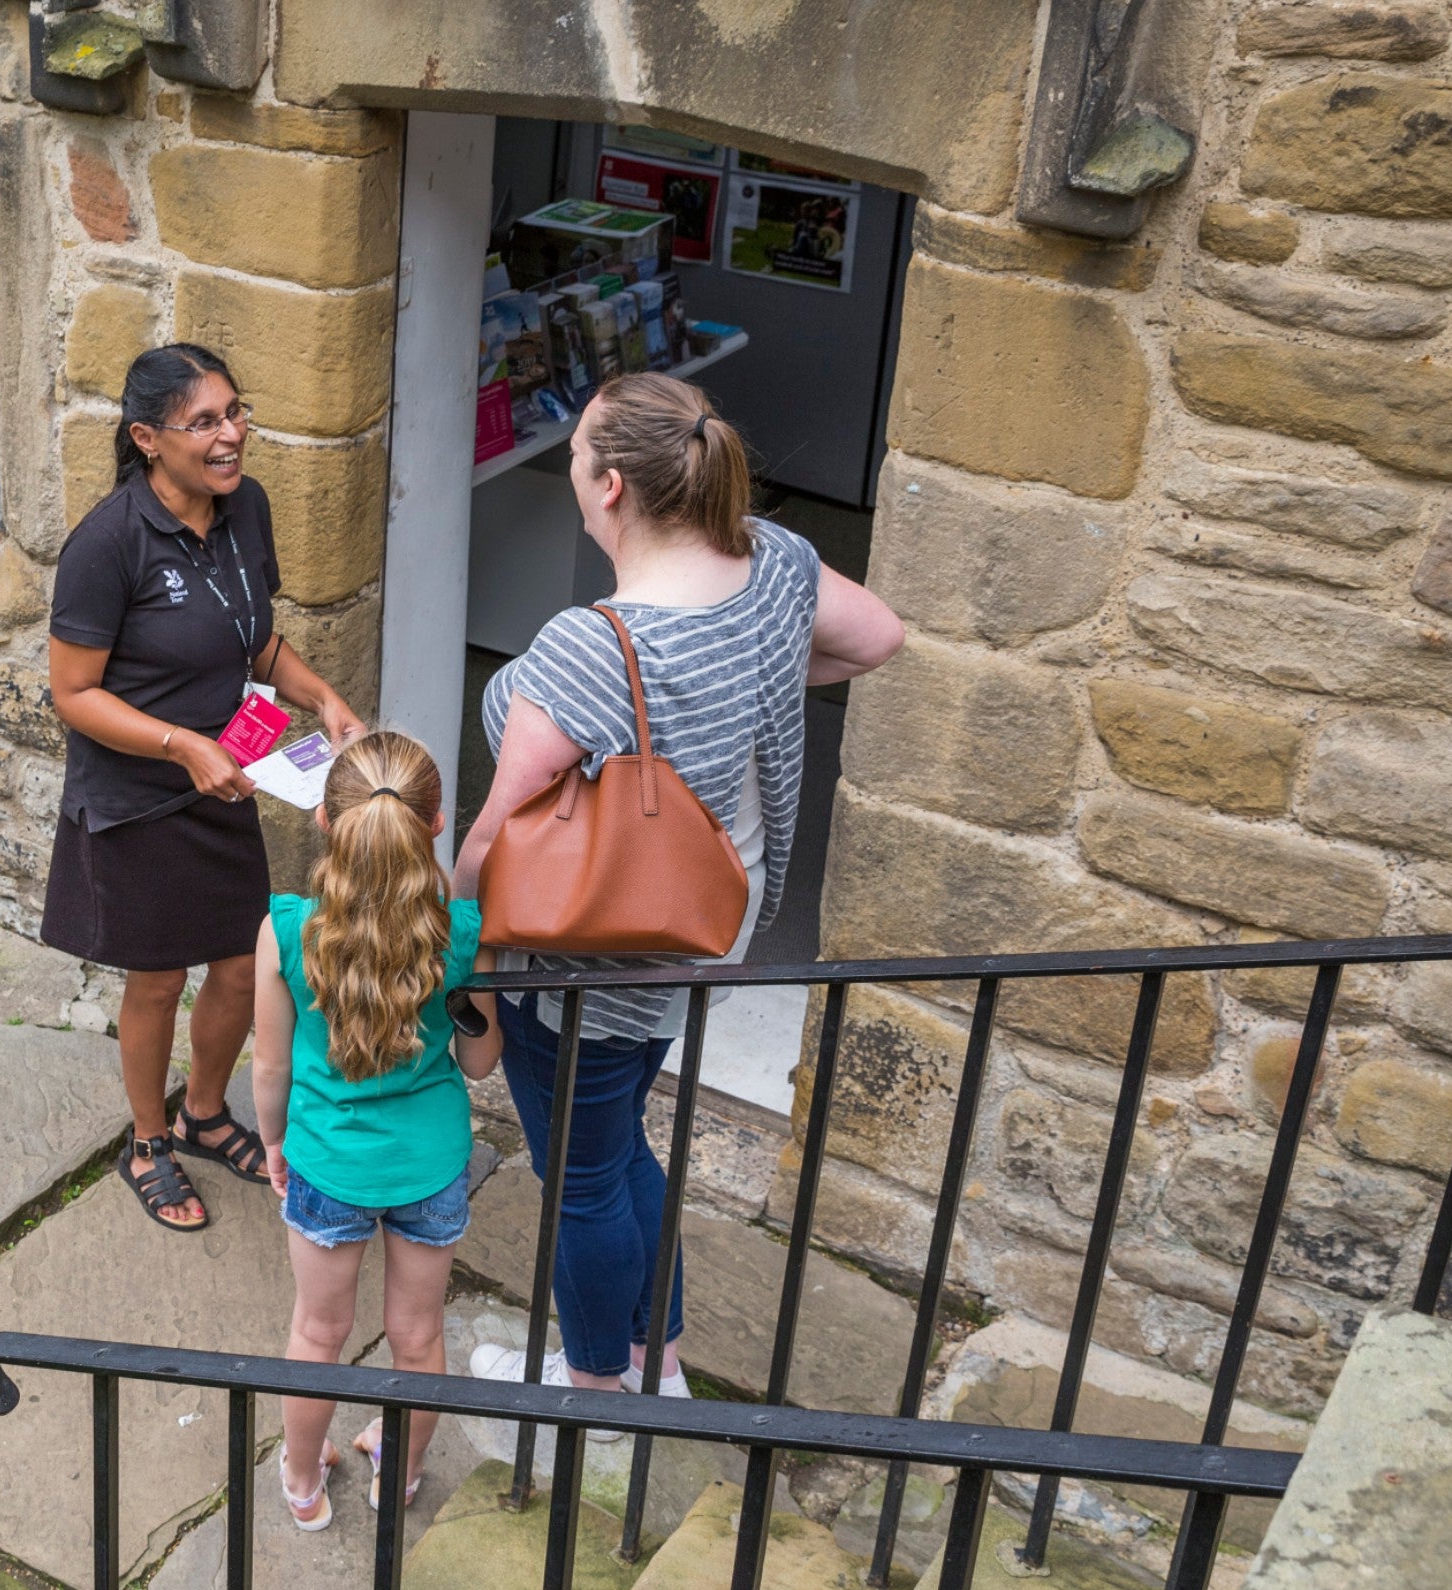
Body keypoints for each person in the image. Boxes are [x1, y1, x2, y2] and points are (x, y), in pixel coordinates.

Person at [453, 372, 904, 1397]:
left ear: (610, 487)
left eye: (575, 456)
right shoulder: (774, 558)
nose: (571, 472)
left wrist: (467, 964)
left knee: (578, 1176)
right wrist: (757, 679)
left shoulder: (594, 648)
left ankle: (599, 1386)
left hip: (587, 958)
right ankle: (659, 1359)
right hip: (708, 920)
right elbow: (878, 637)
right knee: (620, 1149)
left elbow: (489, 838)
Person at [45, 343, 368, 1234]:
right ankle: (147, 1143)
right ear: (148, 439)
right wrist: (182, 744)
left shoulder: (244, 507)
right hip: (141, 797)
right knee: (156, 983)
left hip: (228, 782)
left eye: (236, 412)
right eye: (206, 423)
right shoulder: (107, 545)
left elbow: (253, 637)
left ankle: (205, 1111)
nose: (232, 436)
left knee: (238, 968)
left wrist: (321, 697)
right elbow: (73, 693)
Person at [252, 732, 498, 1527]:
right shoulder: (462, 935)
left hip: (328, 1164)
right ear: (435, 826)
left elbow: (270, 1071)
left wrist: (273, 1143)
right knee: (418, 1336)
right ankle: (404, 1471)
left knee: (317, 1332)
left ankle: (300, 1482)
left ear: (326, 821)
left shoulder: (290, 930)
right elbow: (482, 1059)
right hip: (431, 1165)